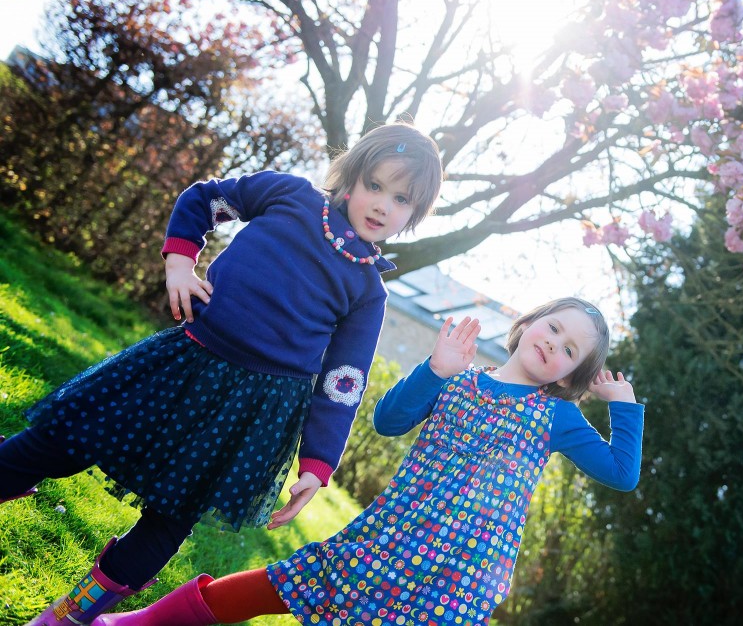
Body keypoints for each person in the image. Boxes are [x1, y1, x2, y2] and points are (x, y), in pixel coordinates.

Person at [0, 122, 445, 626]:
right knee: (67, 436)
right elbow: (205, 200)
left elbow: (342, 384)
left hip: (250, 414)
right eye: (376, 185)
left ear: (414, 214)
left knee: (169, 521)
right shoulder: (291, 196)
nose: (383, 204)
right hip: (185, 362)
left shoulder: (368, 292)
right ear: (351, 178)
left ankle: (66, 617)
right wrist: (179, 264)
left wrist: (317, 466)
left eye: (402, 199)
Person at [91, 298, 645, 626]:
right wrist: (435, 367)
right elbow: (388, 420)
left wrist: (624, 409)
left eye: (571, 350)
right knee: (282, 585)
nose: (555, 344)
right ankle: (134, 622)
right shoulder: (456, 377)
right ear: (529, 323)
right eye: (554, 328)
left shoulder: (558, 419)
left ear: (570, 378)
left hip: (462, 575)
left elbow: (622, 473)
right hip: (386, 538)